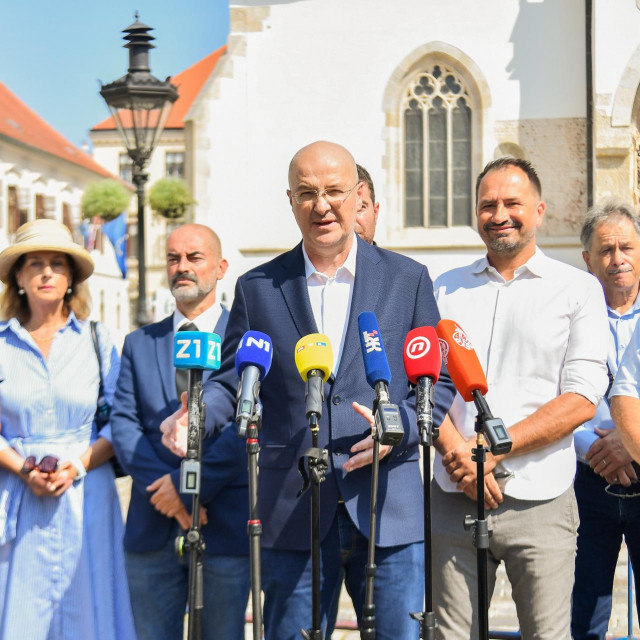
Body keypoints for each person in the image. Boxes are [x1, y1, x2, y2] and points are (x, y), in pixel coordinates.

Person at [161, 140, 455, 640]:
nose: (322, 205)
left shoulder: (408, 279)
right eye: (307, 193)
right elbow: (234, 379)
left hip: (389, 506)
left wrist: (400, 426)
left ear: (357, 195)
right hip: (291, 506)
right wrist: (199, 414)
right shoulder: (259, 286)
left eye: (334, 191)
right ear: (291, 201)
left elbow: (437, 380)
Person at [431, 157, 609, 639]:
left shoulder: (578, 290)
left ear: (541, 210)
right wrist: (457, 453)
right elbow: (423, 387)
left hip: (542, 498)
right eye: (488, 204)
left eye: (513, 202)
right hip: (455, 494)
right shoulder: (443, 289)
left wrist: (490, 451)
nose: (499, 213)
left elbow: (581, 398)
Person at [110, 224, 250, 640]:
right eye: (173, 259)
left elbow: (245, 428)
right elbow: (124, 425)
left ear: (221, 267)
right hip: (151, 526)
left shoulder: (245, 341)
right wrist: (169, 495)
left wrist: (193, 489)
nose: (181, 267)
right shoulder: (140, 342)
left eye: (194, 258)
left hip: (223, 525)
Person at [0, 219, 136, 639]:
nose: (46, 273)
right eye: (35, 264)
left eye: (57, 264)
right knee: (20, 610)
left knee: (89, 607)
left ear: (71, 277)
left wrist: (76, 466)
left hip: (86, 492)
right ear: (18, 277)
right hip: (16, 493)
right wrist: (24, 469)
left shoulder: (96, 340)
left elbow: (122, 420)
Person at [571, 202, 640, 639]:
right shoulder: (569, 313)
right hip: (586, 481)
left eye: (627, 247)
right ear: (588, 259)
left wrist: (631, 442)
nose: (618, 259)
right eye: (607, 250)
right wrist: (596, 450)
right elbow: (553, 391)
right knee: (585, 608)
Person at [355, 164, 379, 244]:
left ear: (375, 212)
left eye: (361, 207)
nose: (352, 219)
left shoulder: (394, 257)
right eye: (344, 209)